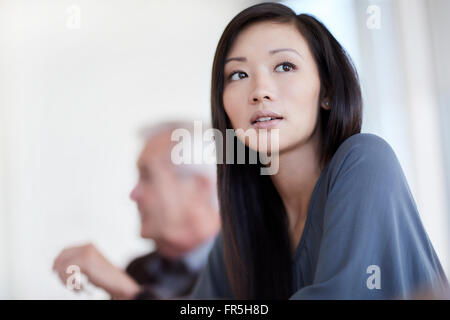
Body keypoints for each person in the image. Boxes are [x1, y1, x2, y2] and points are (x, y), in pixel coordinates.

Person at [189, 2, 449, 299]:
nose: (260, 91)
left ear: (326, 91)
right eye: (238, 74)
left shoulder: (365, 161)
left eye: (284, 66)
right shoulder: (243, 228)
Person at [53, 121, 220, 299]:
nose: (133, 194)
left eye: (147, 176)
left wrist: (129, 292)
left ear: (198, 189)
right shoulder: (138, 270)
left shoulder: (244, 272)